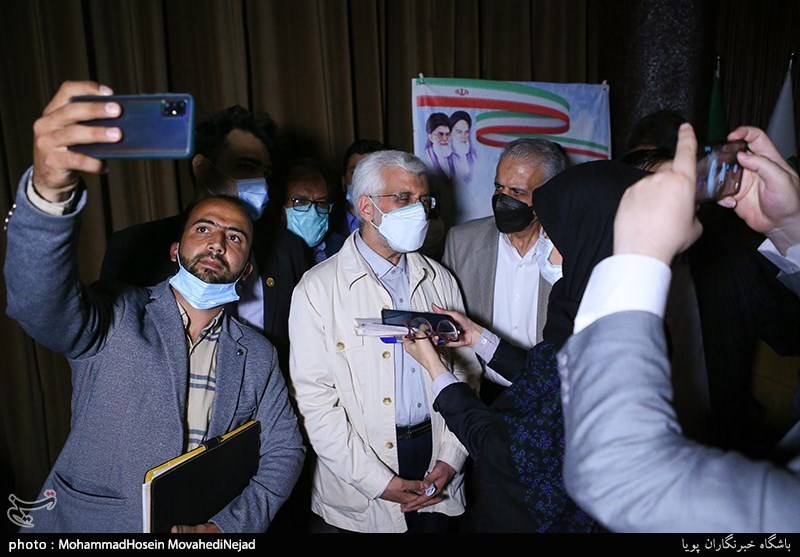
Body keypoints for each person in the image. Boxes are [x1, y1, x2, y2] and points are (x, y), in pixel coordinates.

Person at [4, 81, 305, 533]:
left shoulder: (258, 355)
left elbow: (285, 451)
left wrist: (229, 527)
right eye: (203, 229)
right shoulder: (118, 314)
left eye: (235, 237)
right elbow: (38, 303)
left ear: (247, 271)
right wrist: (48, 195)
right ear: (174, 251)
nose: (217, 243)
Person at [559, 123, 800, 532]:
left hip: (725, 462)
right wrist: (791, 229)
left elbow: (791, 334)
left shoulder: (731, 269)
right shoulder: (591, 289)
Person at [400, 164, 644, 533]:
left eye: (555, 236)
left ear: (586, 239)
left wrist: (436, 370)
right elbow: (552, 379)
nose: (546, 247)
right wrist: (479, 338)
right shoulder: (618, 310)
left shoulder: (593, 332)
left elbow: (502, 449)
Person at [287, 150, 482, 533]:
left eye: (424, 200)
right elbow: (315, 402)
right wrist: (377, 481)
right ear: (366, 207)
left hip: (435, 455)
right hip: (357, 476)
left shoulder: (440, 279)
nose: (419, 211)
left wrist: (451, 459)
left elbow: (467, 375)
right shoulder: (317, 289)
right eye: (404, 198)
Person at [100, 102, 309, 377]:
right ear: (203, 169)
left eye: (265, 173)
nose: (259, 182)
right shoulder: (135, 247)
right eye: (246, 166)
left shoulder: (288, 249)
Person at [442, 138, 568, 405]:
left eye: (517, 192)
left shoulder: (569, 249)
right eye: (499, 187)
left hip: (550, 398)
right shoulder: (462, 242)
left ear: (549, 195)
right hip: (482, 394)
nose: (503, 199)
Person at [278, 158, 346, 264]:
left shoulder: (345, 250)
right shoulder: (268, 255)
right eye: (300, 201)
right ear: (281, 207)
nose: (313, 213)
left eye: (321, 202)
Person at [332, 139, 387, 236]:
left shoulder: (396, 221)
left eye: (368, 173)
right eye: (354, 173)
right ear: (343, 181)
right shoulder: (330, 223)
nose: (360, 180)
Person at [449, 111, 477, 183]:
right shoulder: (447, 158)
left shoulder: (473, 156)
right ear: (450, 133)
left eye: (466, 132)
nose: (463, 136)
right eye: (459, 132)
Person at [424, 112, 454, 179]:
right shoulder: (425, 159)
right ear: (431, 137)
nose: (445, 139)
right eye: (440, 134)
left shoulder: (453, 158)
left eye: (447, 134)